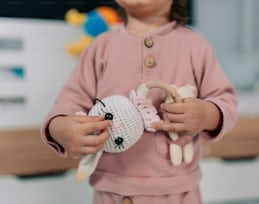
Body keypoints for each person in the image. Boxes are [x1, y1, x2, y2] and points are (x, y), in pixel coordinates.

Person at [41, 0, 238, 203]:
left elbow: (226, 100)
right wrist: (60, 129)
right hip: (111, 193)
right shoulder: (100, 47)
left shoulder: (196, 45)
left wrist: (207, 114)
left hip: (179, 193)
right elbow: (69, 102)